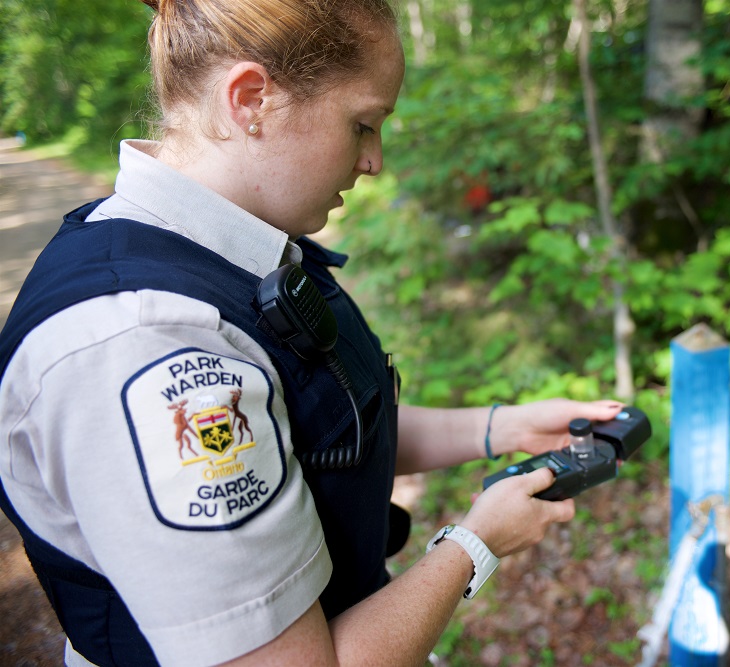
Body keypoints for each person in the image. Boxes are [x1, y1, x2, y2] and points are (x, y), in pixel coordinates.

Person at [0, 1, 625, 665]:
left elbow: (319, 434)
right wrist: (476, 542)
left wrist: (502, 428)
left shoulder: (231, 252)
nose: (374, 161)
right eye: (363, 125)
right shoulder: (147, 344)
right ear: (251, 100)